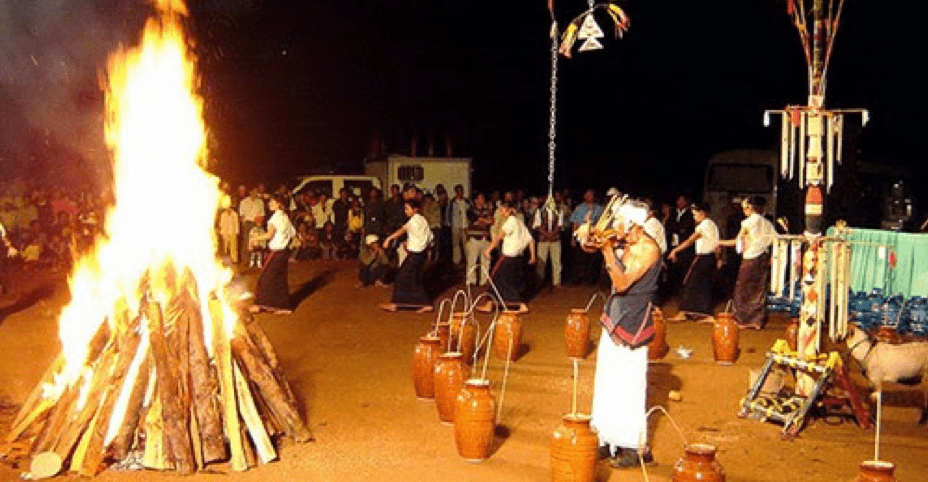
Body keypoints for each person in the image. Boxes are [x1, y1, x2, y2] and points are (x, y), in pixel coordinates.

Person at [587, 200, 660, 468]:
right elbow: (589, 245)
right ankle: (607, 438)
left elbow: (622, 281)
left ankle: (634, 445)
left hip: (634, 321)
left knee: (629, 385)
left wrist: (607, 250)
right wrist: (590, 236)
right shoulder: (626, 242)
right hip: (615, 316)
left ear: (633, 226)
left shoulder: (647, 249)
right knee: (607, 379)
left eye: (620, 224)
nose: (616, 228)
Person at [717, 196, 775, 329]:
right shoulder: (767, 223)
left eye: (745, 208)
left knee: (742, 289)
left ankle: (742, 320)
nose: (744, 211)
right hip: (763, 258)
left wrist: (719, 242)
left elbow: (737, 241)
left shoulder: (748, 223)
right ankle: (757, 321)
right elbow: (775, 239)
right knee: (758, 288)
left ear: (750, 207)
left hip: (751, 258)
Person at [476, 201, 535, 314]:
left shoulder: (511, 221)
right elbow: (530, 240)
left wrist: (488, 250)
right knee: (507, 282)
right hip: (517, 259)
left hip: (508, 258)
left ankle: (520, 304)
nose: (501, 212)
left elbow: (499, 236)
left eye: (502, 210)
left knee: (497, 279)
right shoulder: (519, 222)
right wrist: (532, 257)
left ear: (509, 210)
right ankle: (490, 304)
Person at [380, 199, 434, 313]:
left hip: (415, 254)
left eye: (407, 208)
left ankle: (396, 303)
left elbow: (402, 230)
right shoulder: (423, 220)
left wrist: (389, 239)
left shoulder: (413, 221)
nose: (406, 211)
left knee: (401, 277)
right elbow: (430, 238)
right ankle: (424, 303)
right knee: (414, 279)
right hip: (421, 254)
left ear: (415, 209)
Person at [668, 203, 719, 321]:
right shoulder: (712, 224)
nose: (694, 217)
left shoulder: (705, 225)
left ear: (702, 213)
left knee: (690, 283)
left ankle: (687, 312)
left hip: (704, 257)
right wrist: (718, 258)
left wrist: (675, 250)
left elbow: (690, 240)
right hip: (708, 258)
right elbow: (716, 244)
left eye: (695, 214)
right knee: (701, 285)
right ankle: (698, 313)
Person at [250, 195, 296, 315]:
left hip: (276, 252)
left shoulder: (275, 218)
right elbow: (292, 233)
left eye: (272, 201)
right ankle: (284, 307)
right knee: (279, 279)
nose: (270, 203)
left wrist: (255, 238)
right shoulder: (285, 217)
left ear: (279, 204)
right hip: (283, 252)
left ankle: (261, 304)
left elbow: (270, 235)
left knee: (265, 278)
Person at [569, 189, 604, 285]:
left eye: (591, 194)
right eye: (587, 194)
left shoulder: (599, 209)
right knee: (579, 259)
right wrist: (573, 238)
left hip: (593, 237)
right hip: (581, 236)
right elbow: (575, 224)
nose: (589, 196)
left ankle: (590, 280)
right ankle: (577, 279)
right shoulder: (579, 208)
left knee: (592, 259)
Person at [533, 195, 565, 288]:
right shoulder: (539, 211)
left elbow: (560, 225)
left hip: (555, 239)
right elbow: (538, 226)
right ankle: (539, 281)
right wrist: (548, 234)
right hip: (543, 240)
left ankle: (557, 282)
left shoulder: (559, 211)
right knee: (541, 262)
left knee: (556, 261)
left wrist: (552, 234)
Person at [464, 193, 494, 286]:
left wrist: (482, 220)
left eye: (483, 198)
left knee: (485, 262)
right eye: (480, 198)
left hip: (485, 239)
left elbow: (492, 221)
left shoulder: (487, 211)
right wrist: (485, 221)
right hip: (474, 239)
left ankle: (484, 281)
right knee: (472, 261)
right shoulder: (470, 210)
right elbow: (475, 220)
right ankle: (471, 280)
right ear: (476, 200)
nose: (482, 201)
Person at [218, 195, 240, 264]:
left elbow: (236, 223)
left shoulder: (234, 214)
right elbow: (221, 223)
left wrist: (237, 231)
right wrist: (221, 232)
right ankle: (225, 260)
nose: (228, 208)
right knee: (225, 247)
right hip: (225, 232)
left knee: (233, 247)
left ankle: (234, 259)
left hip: (233, 232)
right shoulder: (223, 215)